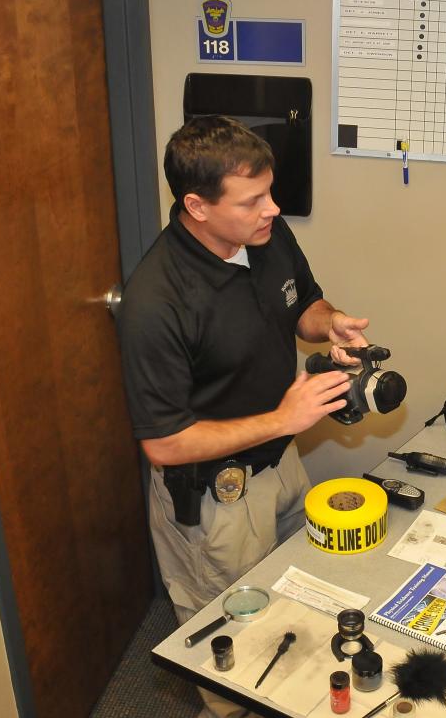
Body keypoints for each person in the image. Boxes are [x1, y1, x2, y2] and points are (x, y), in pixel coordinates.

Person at [117, 116, 371, 718]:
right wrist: (284, 419)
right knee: (239, 661)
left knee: (300, 613)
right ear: (197, 206)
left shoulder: (265, 234)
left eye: (271, 192)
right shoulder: (156, 302)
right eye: (254, 199)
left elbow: (303, 302)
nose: (273, 209)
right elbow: (164, 444)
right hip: (215, 503)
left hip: (280, 465)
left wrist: (328, 324)